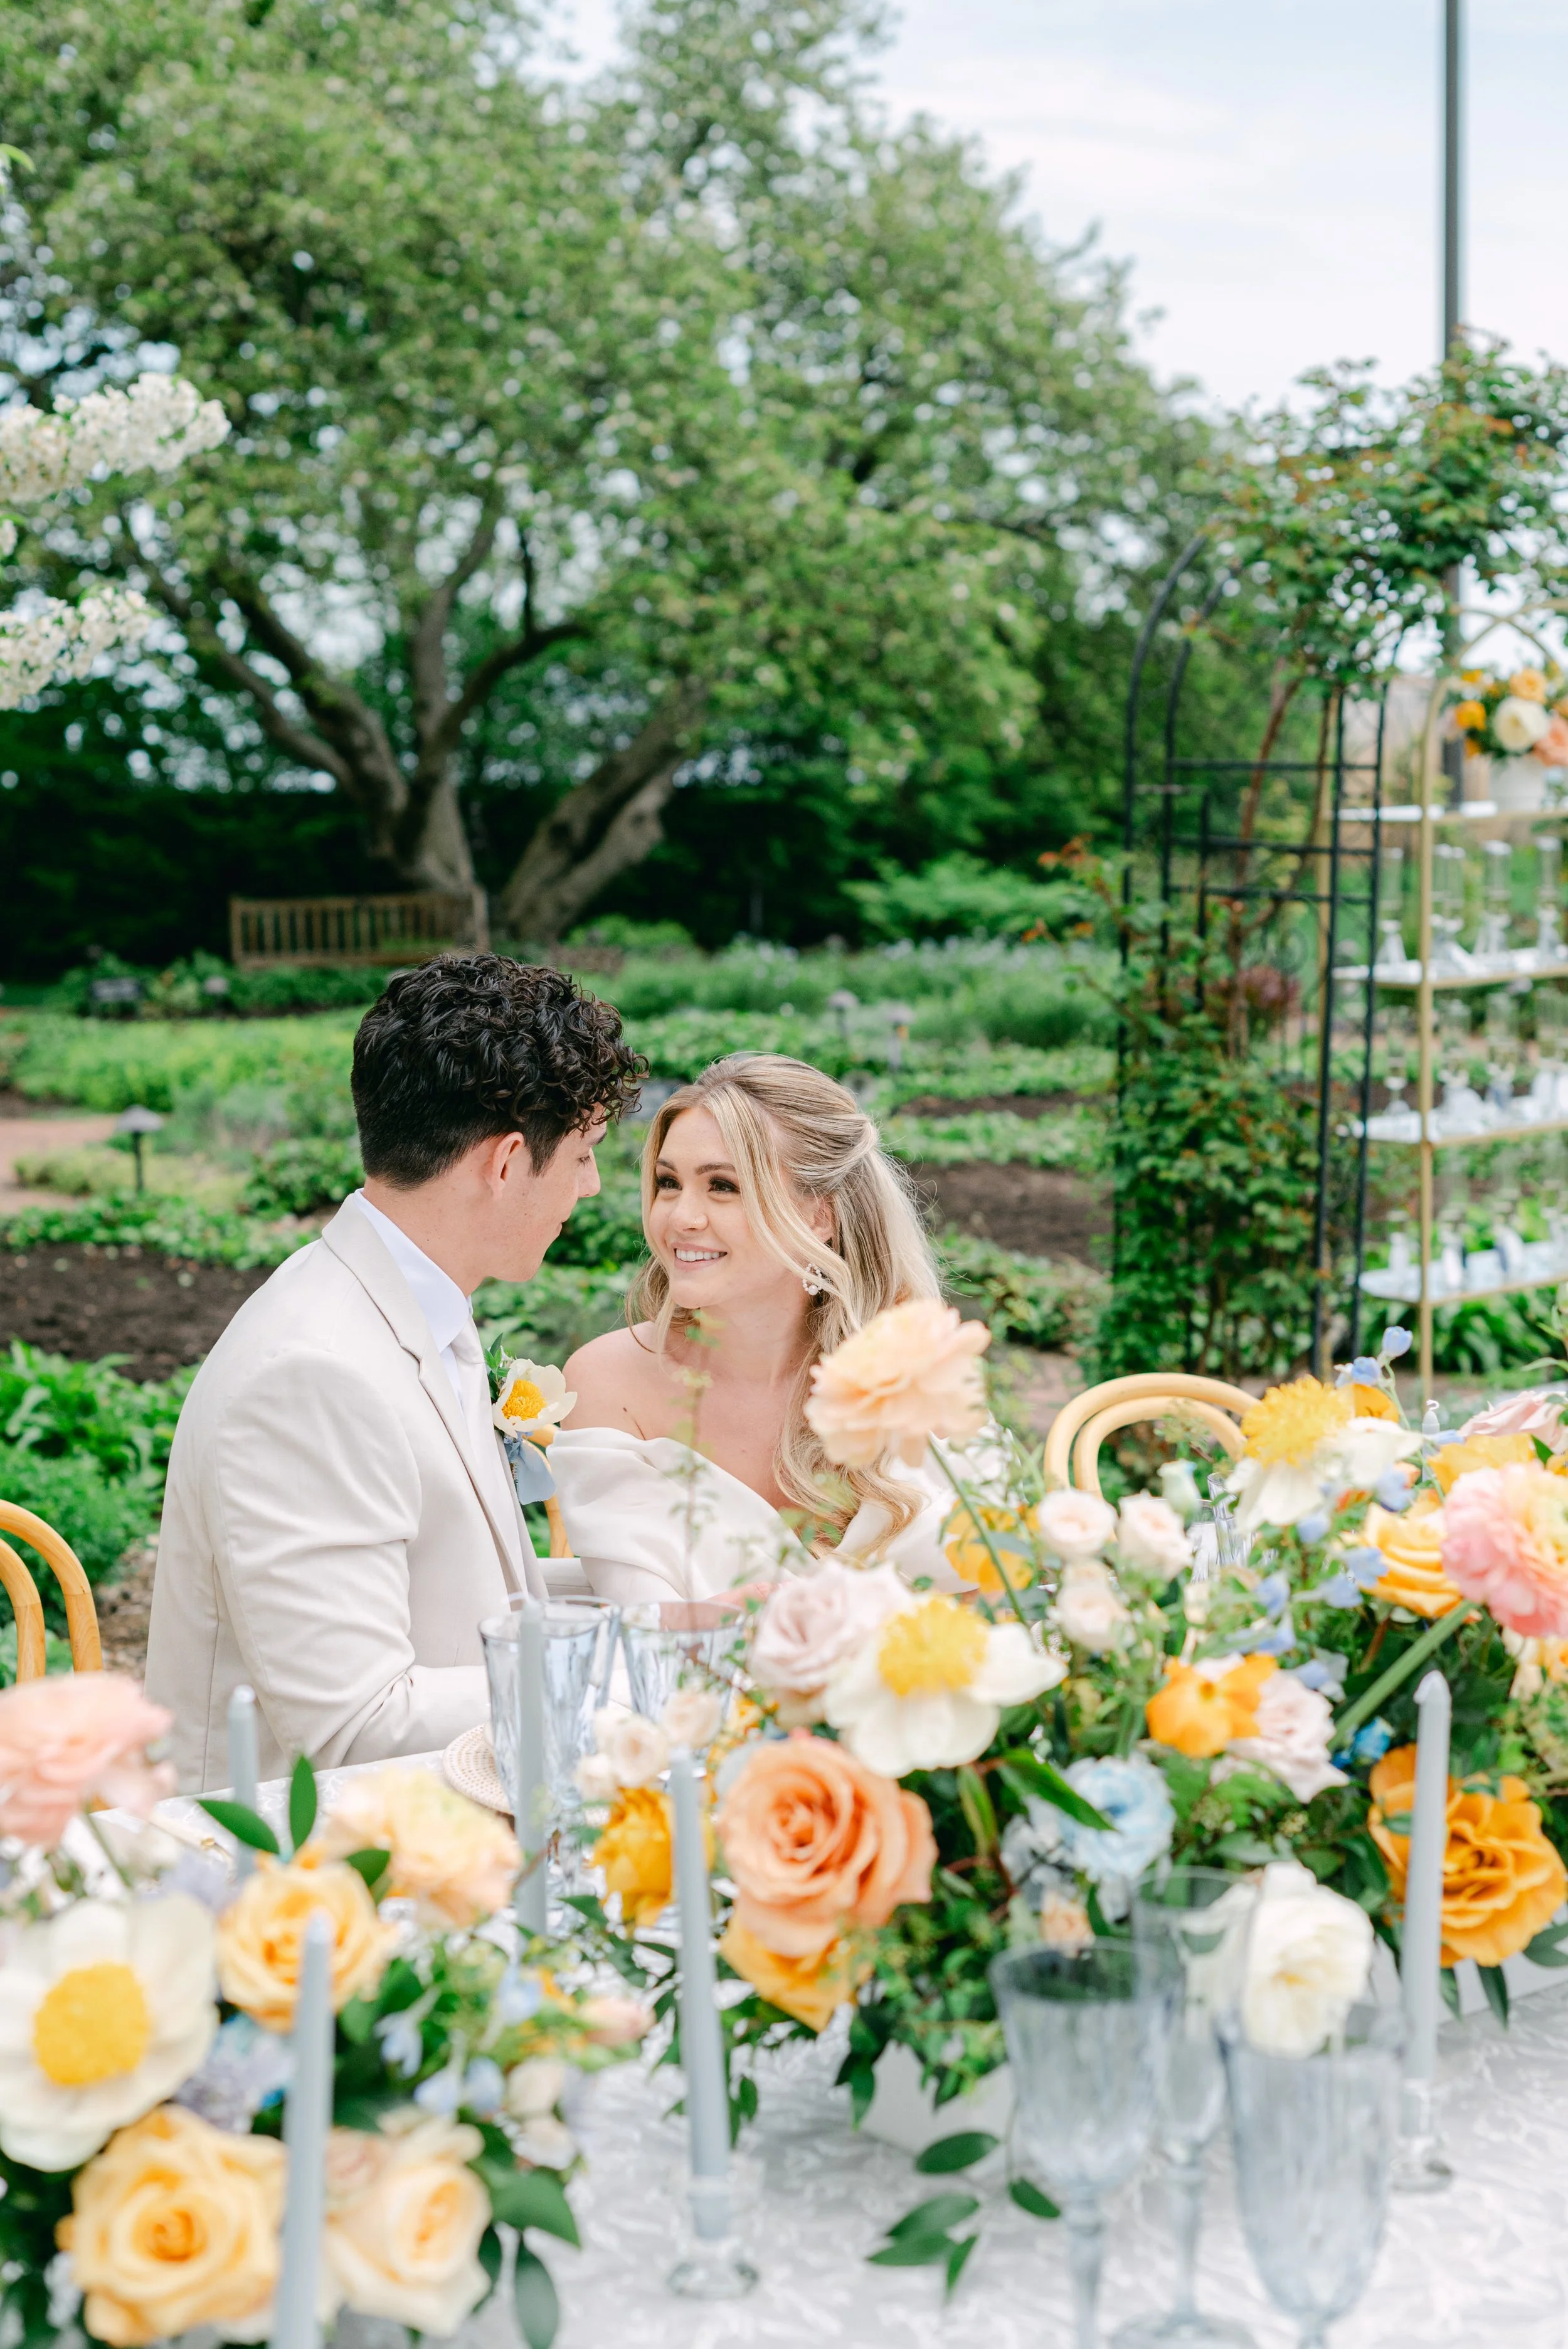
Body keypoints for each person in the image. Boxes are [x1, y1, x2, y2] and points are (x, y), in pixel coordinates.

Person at [146, 954, 640, 1791]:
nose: (590, 1188)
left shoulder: (403, 1300)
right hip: (307, 1870)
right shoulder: (308, 1375)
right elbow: (354, 1723)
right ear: (508, 1161)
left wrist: (661, 1586)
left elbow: (467, 1591)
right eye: (585, 1154)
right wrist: (634, 1683)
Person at [554, 1054, 965, 1602]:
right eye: (668, 1182)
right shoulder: (610, 1381)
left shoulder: (907, 1373)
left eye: (722, 1186)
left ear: (819, 1216)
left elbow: (981, 1588)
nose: (680, 1217)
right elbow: (645, 1628)